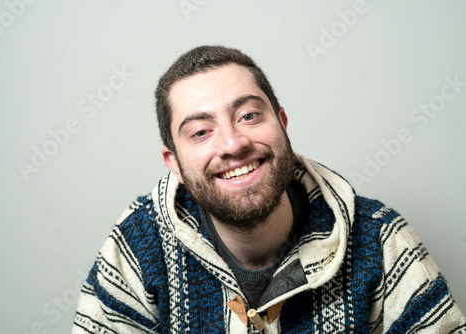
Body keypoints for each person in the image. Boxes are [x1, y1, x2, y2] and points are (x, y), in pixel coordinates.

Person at [73, 45, 466, 333]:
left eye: (248, 115)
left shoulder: (378, 238)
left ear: (281, 123)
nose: (232, 144)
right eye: (200, 131)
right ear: (173, 163)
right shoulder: (138, 244)